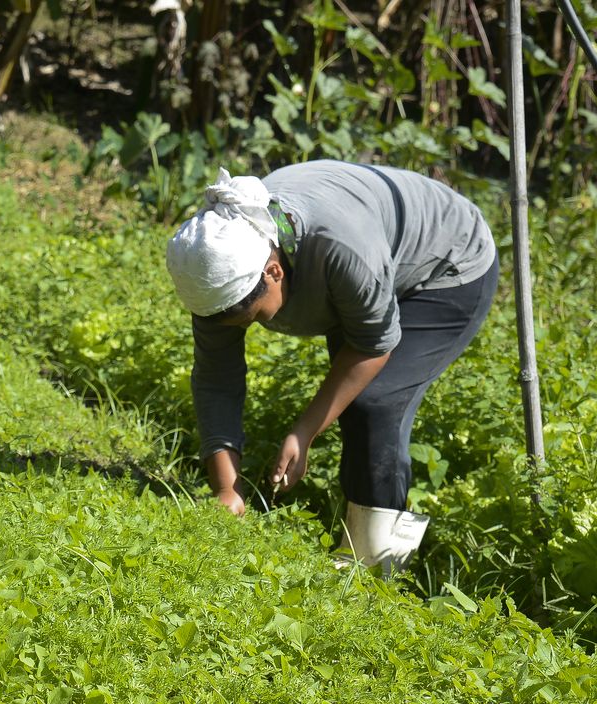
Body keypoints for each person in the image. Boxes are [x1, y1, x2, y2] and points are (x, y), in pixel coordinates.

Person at [164, 160, 498, 572]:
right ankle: (358, 536)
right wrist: (226, 489)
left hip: (448, 263)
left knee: (374, 400)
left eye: (253, 318)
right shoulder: (213, 271)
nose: (245, 327)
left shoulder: (339, 248)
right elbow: (216, 376)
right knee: (351, 397)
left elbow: (372, 346)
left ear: (274, 271)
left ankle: (375, 566)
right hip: (370, 259)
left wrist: (304, 431)